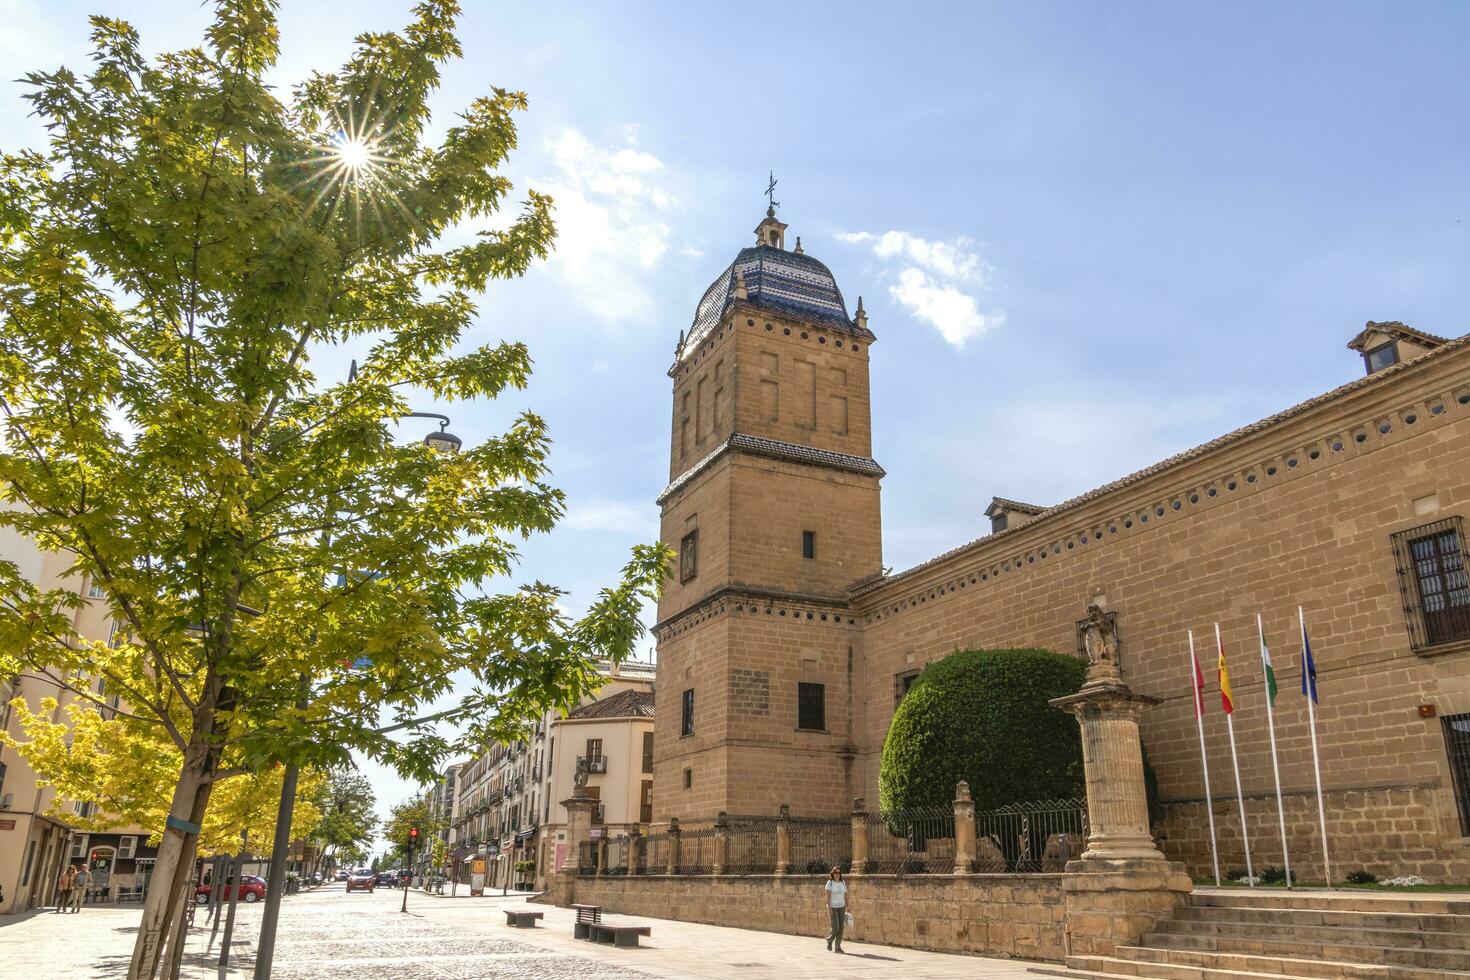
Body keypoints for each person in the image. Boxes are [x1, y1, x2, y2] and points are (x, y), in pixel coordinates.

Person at [823, 866, 849, 953]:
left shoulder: (843, 882)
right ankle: (829, 940)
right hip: (833, 907)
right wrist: (829, 907)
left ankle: (837, 947)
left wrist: (848, 906)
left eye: (839, 873)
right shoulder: (830, 883)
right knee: (836, 926)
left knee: (841, 928)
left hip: (841, 907)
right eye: (836, 873)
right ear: (833, 874)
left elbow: (845, 895)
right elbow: (827, 896)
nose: (837, 874)